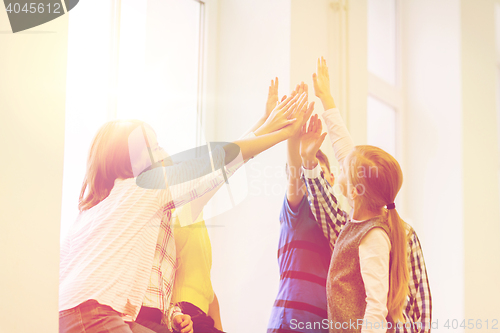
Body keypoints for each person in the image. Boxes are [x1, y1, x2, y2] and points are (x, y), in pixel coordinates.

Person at [59, 92, 314, 333]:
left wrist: (266, 125)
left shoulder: (92, 211)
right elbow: (215, 163)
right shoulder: (145, 187)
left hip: (65, 312)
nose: (163, 152)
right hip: (94, 313)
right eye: (153, 146)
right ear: (129, 157)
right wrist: (280, 133)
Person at [298, 57, 432, 333]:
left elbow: (379, 308)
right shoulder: (357, 222)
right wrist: (327, 100)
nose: (339, 167)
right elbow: (347, 153)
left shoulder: (378, 235)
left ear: (356, 190)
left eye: (344, 170)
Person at [266, 82, 332, 333]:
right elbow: (295, 174)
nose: (313, 179)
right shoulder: (298, 211)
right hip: (289, 323)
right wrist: (294, 134)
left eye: (318, 171)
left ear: (332, 179)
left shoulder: (340, 222)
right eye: (310, 173)